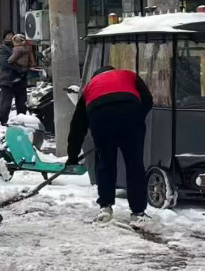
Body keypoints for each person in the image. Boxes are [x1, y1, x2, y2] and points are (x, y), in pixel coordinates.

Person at [66, 66, 154, 223]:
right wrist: (137, 118)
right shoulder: (129, 75)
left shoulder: (90, 86)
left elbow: (77, 125)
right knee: (134, 165)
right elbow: (148, 99)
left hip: (101, 117)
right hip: (130, 113)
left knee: (106, 163)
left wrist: (72, 156)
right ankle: (138, 212)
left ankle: (105, 207)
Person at [0, 32, 34, 125]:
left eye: (12, 35)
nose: (11, 37)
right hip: (7, 80)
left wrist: (27, 67)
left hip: (21, 79)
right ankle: (3, 121)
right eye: (8, 35)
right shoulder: (2, 48)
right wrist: (19, 69)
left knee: (22, 103)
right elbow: (5, 62)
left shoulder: (23, 47)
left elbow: (29, 59)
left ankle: (22, 120)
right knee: (6, 104)